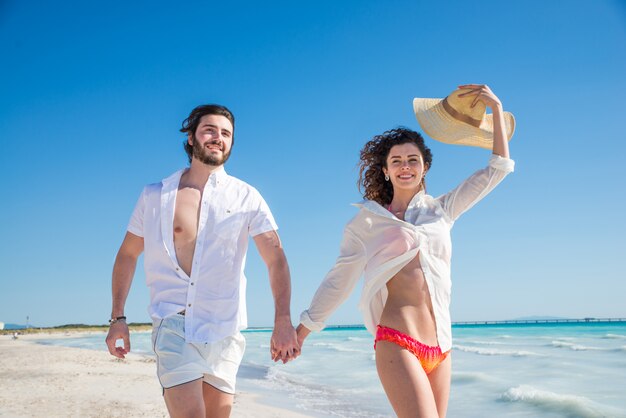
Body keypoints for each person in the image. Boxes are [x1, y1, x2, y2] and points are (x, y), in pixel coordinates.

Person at [296, 84, 515, 418]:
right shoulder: (366, 223)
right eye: (396, 161)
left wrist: (496, 110)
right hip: (397, 340)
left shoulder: (443, 210)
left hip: (442, 346)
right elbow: (339, 280)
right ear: (385, 170)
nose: (405, 166)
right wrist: (302, 331)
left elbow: (498, 167)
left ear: (425, 166)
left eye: (413, 159)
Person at [105, 104, 299, 418]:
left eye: (226, 133)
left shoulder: (247, 197)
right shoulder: (156, 195)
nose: (217, 138)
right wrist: (118, 319)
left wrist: (282, 321)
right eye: (209, 129)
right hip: (174, 325)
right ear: (192, 137)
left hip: (225, 328)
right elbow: (128, 254)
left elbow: (275, 258)